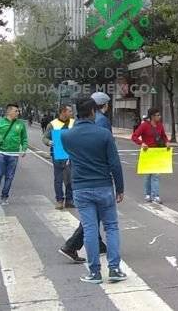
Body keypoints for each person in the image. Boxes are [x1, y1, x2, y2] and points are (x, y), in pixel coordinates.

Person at [61, 98, 127, 284]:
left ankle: (94, 272)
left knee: (90, 229)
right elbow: (114, 163)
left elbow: (70, 156)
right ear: (92, 112)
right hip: (104, 186)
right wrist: (120, 188)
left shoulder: (67, 135)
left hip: (81, 188)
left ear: (76, 112)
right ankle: (114, 269)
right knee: (111, 227)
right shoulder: (104, 134)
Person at [0, 104, 28, 205]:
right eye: (16, 111)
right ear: (9, 112)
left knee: (9, 177)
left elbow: (24, 138)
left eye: (18, 111)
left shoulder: (20, 124)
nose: (18, 113)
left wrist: (24, 149)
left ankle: (4, 197)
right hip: (1, 154)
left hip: (14, 155)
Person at [131, 107, 170, 204]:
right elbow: (134, 136)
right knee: (148, 175)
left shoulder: (160, 125)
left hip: (157, 152)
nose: (159, 117)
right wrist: (141, 143)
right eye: (158, 115)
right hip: (147, 152)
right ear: (152, 116)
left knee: (156, 175)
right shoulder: (144, 125)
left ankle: (156, 195)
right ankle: (148, 194)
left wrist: (167, 142)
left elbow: (163, 136)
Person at [42, 104, 75, 210]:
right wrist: (49, 142)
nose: (71, 113)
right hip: (58, 155)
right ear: (63, 112)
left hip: (71, 155)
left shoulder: (74, 123)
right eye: (69, 111)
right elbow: (45, 138)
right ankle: (59, 200)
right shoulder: (52, 124)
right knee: (58, 179)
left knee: (70, 178)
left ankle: (69, 200)